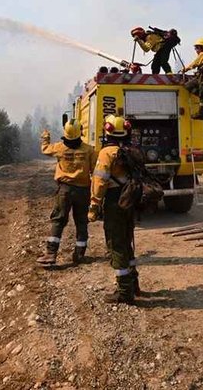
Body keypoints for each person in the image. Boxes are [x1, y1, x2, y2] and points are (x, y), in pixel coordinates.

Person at [88, 114, 141, 304]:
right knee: (127, 240)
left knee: (116, 244)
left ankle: (125, 292)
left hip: (114, 201)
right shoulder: (131, 150)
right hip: (130, 200)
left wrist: (94, 206)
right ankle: (134, 284)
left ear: (107, 130)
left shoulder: (106, 153)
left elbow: (100, 182)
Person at [36, 120, 97, 266]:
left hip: (65, 190)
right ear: (80, 132)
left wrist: (45, 137)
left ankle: (51, 254)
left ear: (66, 133)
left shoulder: (59, 148)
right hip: (83, 190)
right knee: (82, 221)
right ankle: (80, 254)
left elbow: (45, 150)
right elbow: (95, 171)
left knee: (58, 220)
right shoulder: (89, 150)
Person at [179, 38, 203, 119]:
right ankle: (202, 101)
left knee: (202, 96)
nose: (195, 50)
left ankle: (201, 114)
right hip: (201, 77)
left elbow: (194, 64)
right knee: (188, 86)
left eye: (196, 48)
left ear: (200, 48)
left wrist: (185, 69)